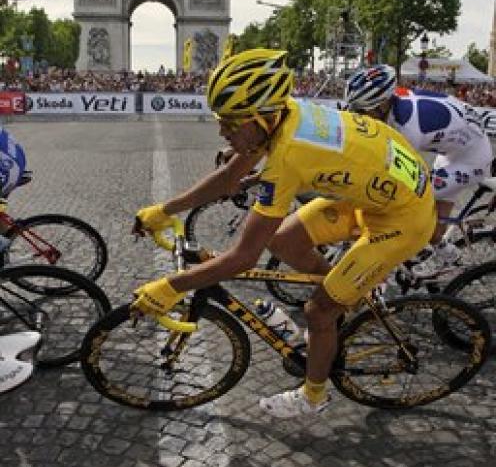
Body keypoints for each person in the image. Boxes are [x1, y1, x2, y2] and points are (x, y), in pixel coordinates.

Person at [132, 48, 436, 420]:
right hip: (376, 193)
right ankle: (349, 291)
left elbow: (243, 258)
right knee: (283, 240)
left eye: (230, 122)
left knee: (317, 311)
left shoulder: (289, 153)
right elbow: (229, 180)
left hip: (403, 218)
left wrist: (171, 286)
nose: (222, 131)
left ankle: (314, 396)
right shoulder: (282, 113)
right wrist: (164, 211)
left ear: (260, 116)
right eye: (220, 120)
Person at [344, 64, 493, 276]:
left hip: (473, 159)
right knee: (433, 231)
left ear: (381, 105)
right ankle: (448, 255)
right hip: (453, 150)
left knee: (410, 197)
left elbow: (396, 176)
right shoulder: (394, 104)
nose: (357, 116)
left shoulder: (407, 127)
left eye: (361, 111)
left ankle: (405, 251)